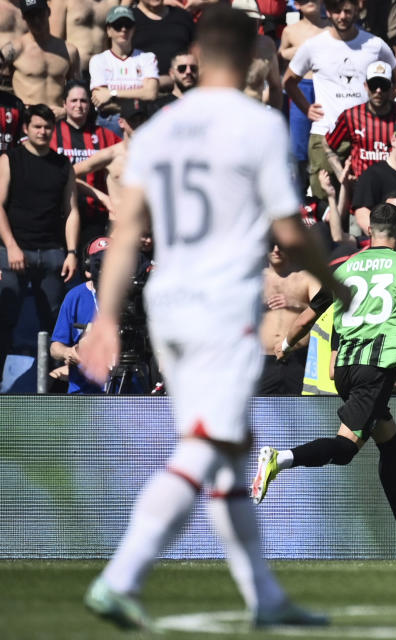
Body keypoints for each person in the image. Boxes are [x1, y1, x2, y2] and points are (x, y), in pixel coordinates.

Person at [79, 7, 346, 628]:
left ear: (196, 53)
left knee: (227, 457)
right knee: (212, 443)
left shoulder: (163, 126)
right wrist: (334, 283)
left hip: (168, 303)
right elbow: (288, 230)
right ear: (255, 50)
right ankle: (120, 577)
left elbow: (124, 234)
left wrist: (106, 318)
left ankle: (266, 601)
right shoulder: (255, 126)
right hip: (222, 307)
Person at [251, 202, 396, 555]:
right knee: (346, 449)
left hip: (345, 368)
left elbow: (308, 317)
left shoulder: (345, 268)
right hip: (376, 368)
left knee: (391, 444)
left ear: (369, 232)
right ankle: (279, 458)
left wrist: (286, 343)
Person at [284, 0, 396, 199]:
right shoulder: (313, 46)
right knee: (325, 201)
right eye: (336, 11)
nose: (342, 16)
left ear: (357, 10)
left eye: (347, 11)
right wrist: (306, 108)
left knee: (365, 202)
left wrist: (382, 106)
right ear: (327, 12)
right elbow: (289, 81)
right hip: (325, 134)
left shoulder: (375, 44)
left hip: (365, 137)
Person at [0, 103, 79, 386]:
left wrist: (71, 252)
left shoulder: (62, 165)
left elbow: (71, 211)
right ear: (26, 129)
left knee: (56, 326)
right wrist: (10, 245)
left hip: (53, 253)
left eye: (48, 127)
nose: (43, 131)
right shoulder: (11, 159)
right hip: (13, 252)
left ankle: (57, 390)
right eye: (37, 126)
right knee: (3, 319)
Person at [325, 61, 396, 184]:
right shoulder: (351, 116)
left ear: (392, 88)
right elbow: (328, 143)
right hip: (362, 190)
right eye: (373, 85)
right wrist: (341, 175)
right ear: (366, 86)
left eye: (383, 85)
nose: (378, 90)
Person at [51, 81, 122, 244]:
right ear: (64, 104)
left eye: (83, 101)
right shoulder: (52, 134)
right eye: (73, 101)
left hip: (96, 215)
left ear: (90, 105)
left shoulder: (105, 135)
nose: (79, 105)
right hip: (59, 213)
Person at [49, 235, 110, 394]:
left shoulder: (133, 294)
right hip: (83, 391)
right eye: (100, 264)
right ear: (88, 269)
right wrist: (68, 353)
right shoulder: (75, 296)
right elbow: (55, 347)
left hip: (127, 390)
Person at [277, 0, 328, 191]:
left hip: (324, 87)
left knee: (325, 141)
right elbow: (280, 60)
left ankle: (322, 194)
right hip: (300, 87)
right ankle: (299, 195)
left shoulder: (330, 28)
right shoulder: (290, 31)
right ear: (296, 5)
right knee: (299, 146)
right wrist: (305, 48)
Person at [258, 244, 320, 395]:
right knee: (258, 415)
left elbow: (325, 308)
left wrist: (296, 303)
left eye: (280, 244)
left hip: (298, 359)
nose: (276, 249)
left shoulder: (306, 277)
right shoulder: (254, 278)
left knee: (299, 414)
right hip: (262, 360)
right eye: (271, 244)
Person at [88, 6, 159, 134]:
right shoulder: (98, 60)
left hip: (140, 119)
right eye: (118, 25)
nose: (123, 29)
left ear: (134, 29)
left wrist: (112, 93)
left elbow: (151, 93)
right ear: (108, 30)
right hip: (111, 119)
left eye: (128, 25)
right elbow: (100, 102)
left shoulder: (147, 57)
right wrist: (138, 98)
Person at [11, 0, 79, 120]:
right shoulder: (16, 49)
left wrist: (66, 111)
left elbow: (78, 91)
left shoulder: (69, 51)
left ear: (48, 12)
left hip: (57, 120)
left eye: (40, 14)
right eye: (31, 16)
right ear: (23, 17)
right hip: (27, 121)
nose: (36, 20)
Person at [231, 0, 282, 109]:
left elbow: (276, 86)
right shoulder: (219, 47)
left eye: (252, 20)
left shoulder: (266, 46)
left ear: (258, 22)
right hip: (225, 116)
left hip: (255, 114)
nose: (248, 25)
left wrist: (275, 116)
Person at [131, 0, 194, 82]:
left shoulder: (183, 16)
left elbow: (198, 53)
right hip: (142, 89)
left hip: (182, 89)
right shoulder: (128, 20)